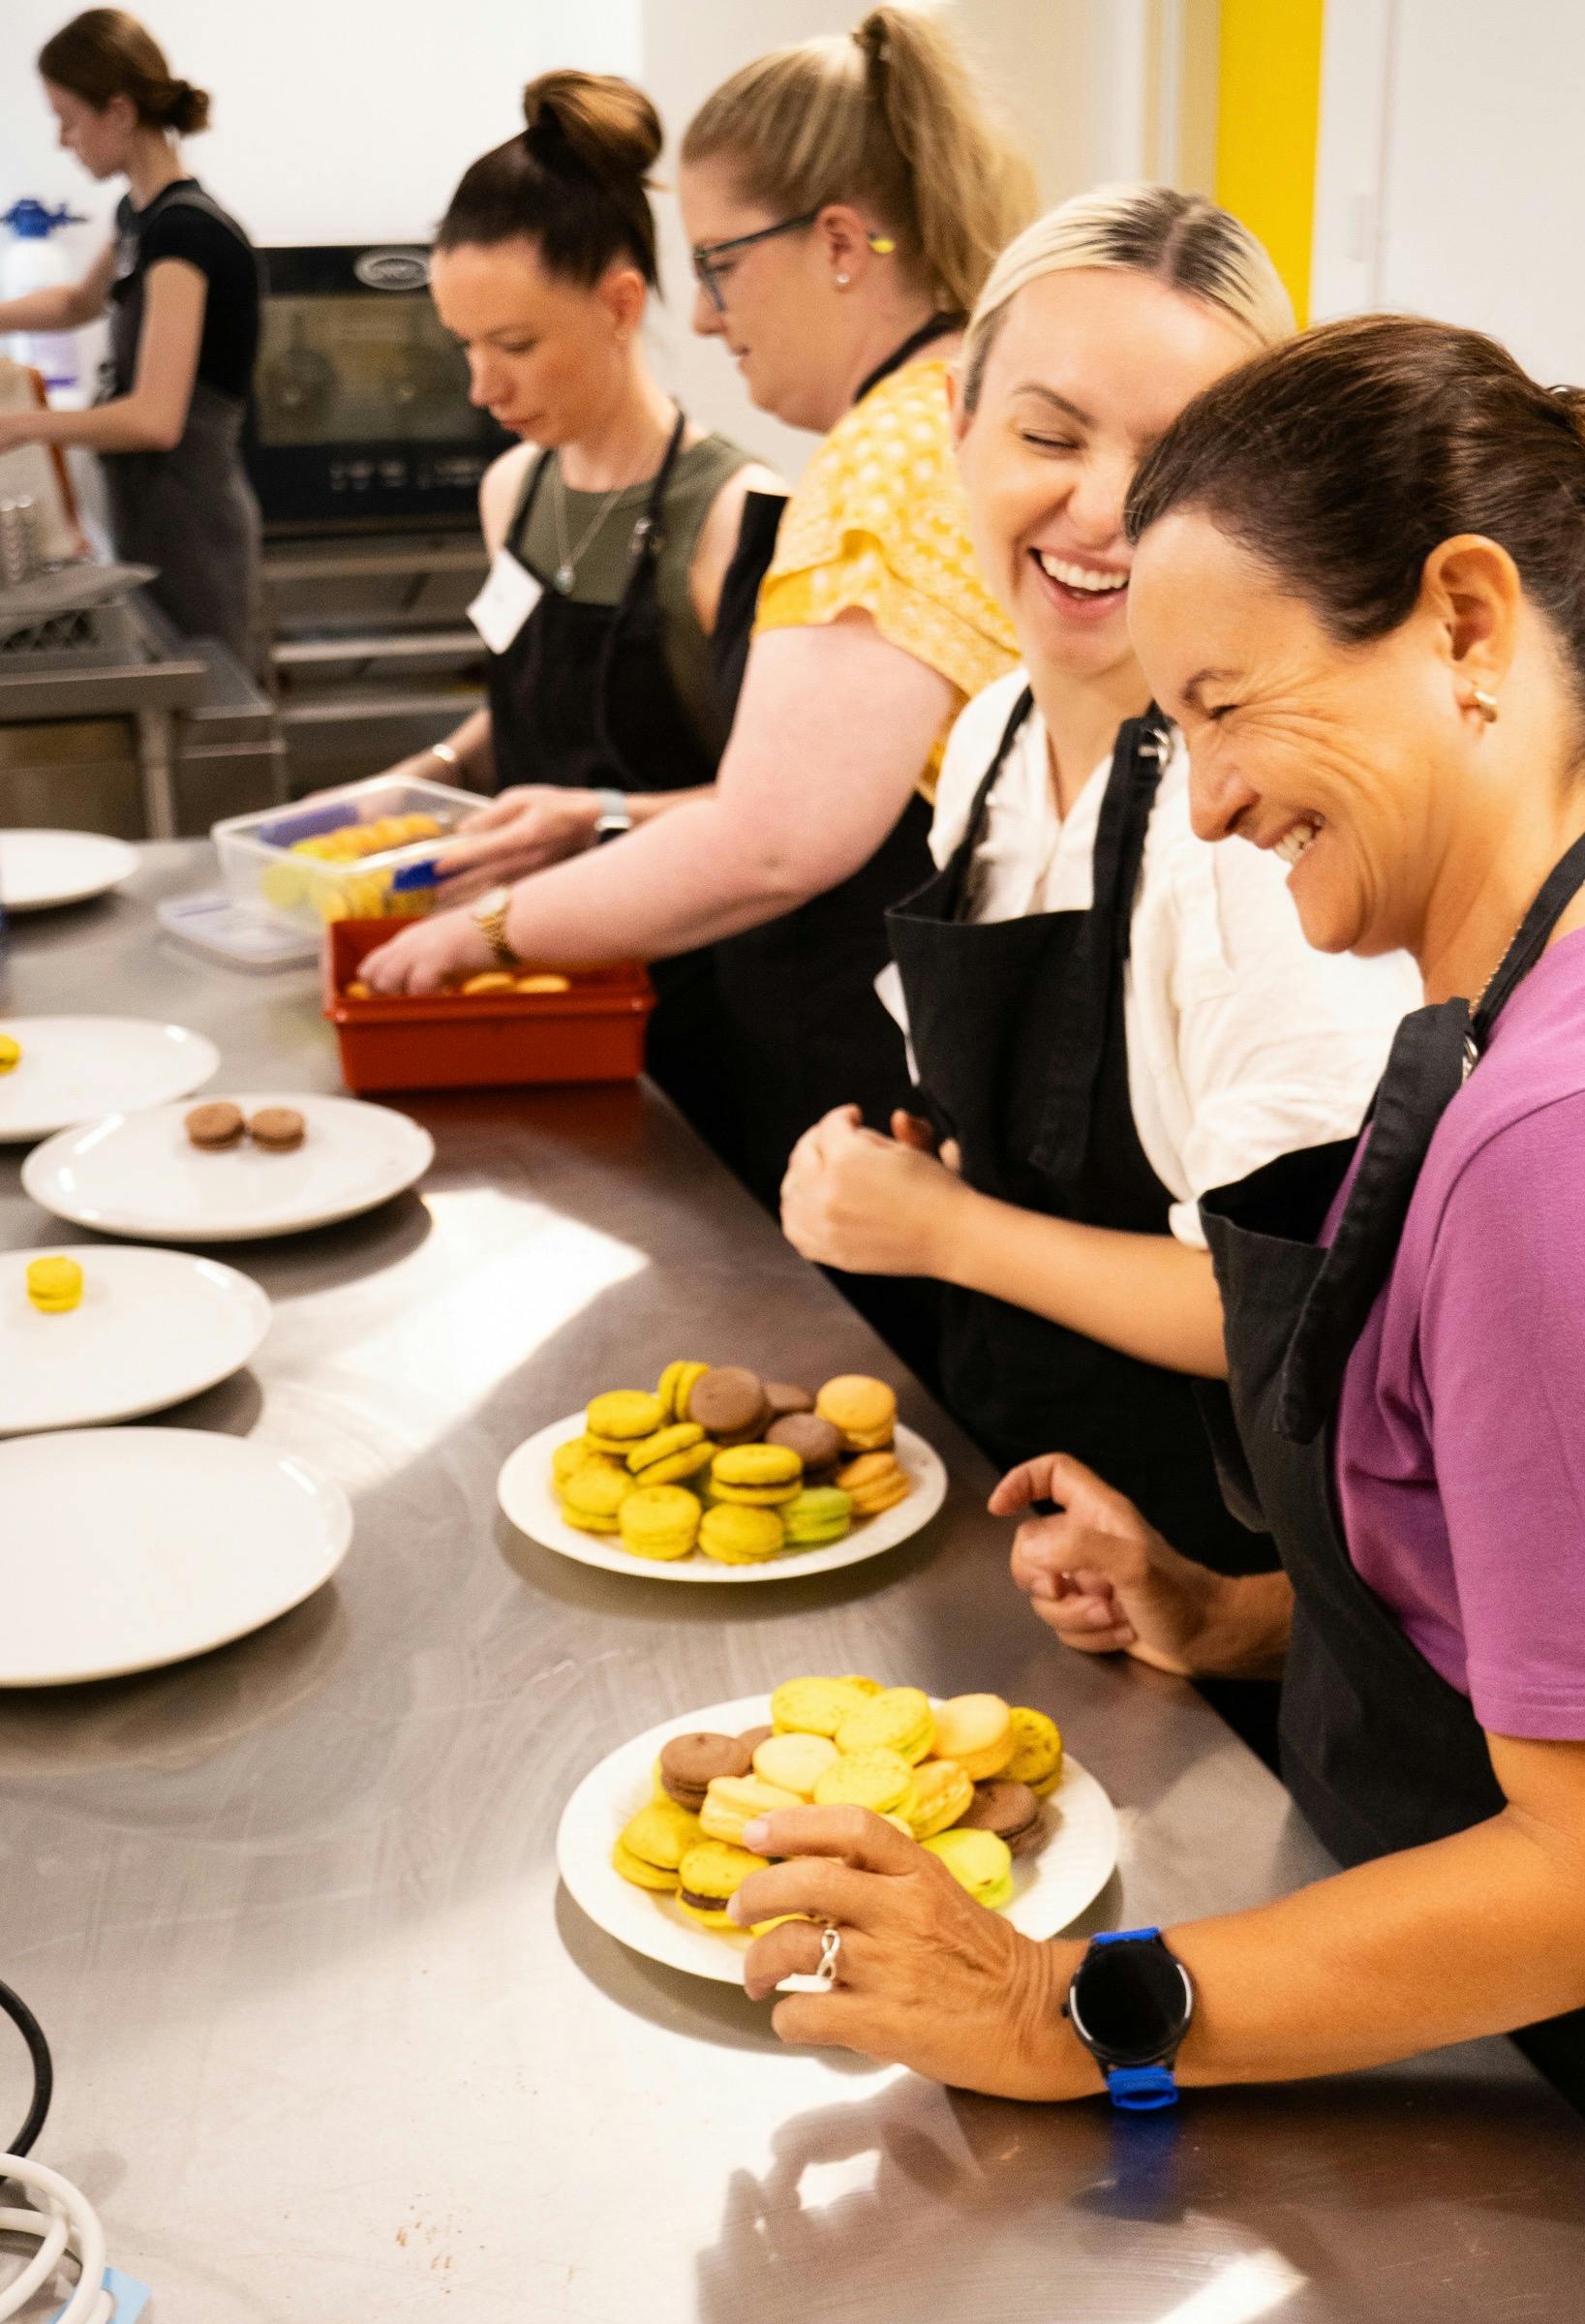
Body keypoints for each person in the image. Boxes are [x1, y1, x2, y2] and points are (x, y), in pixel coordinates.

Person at [722, 318, 1585, 2324]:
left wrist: (1064, 2009)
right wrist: (1243, 1611)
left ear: (1466, 620)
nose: (1218, 800)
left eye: (1228, 707)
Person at [778, 190, 1414, 1707]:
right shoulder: (995, 731)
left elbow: (1306, 1310)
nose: (1105, 512)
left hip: (1228, 1592)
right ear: (958, 424)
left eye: (1178, 463)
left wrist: (942, 1234)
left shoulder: (1261, 827)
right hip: (1046, 1535)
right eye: (1051, 437)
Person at [357, 8, 1033, 1340]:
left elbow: (773, 839)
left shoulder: (881, 464)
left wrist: (488, 933)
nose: (710, 314)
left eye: (723, 263)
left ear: (840, 242)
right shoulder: (944, 409)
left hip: (876, 1056)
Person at [368, 72, 782, 1161]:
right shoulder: (514, 491)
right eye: (464, 347)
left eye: (513, 345)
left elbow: (776, 822)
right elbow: (524, 714)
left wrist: (596, 815)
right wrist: (423, 780)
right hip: (511, 974)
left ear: (619, 303)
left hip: (687, 1014)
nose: (481, 388)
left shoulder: (735, 518)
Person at [0, 10, 262, 666]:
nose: (64, 139)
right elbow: (76, 303)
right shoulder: (139, 218)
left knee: (212, 706)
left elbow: (155, 418)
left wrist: (21, 426)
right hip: (153, 511)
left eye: (68, 118)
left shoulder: (185, 235)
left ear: (117, 111)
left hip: (193, 521)